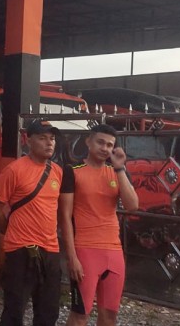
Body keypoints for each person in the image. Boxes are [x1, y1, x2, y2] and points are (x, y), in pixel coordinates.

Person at [62, 124, 139, 326]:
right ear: (88, 142)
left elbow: (132, 206)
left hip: (113, 251)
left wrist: (120, 168)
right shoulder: (73, 171)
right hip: (85, 249)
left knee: (109, 316)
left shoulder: (117, 171)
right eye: (100, 142)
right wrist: (72, 257)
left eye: (110, 145)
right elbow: (65, 216)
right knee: (80, 315)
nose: (105, 148)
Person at [0, 119, 64, 326]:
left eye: (52, 138)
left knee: (48, 311)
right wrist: (9, 232)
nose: (49, 143)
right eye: (42, 138)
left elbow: (59, 209)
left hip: (50, 249)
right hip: (20, 249)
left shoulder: (57, 171)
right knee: (14, 310)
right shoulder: (13, 170)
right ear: (28, 140)